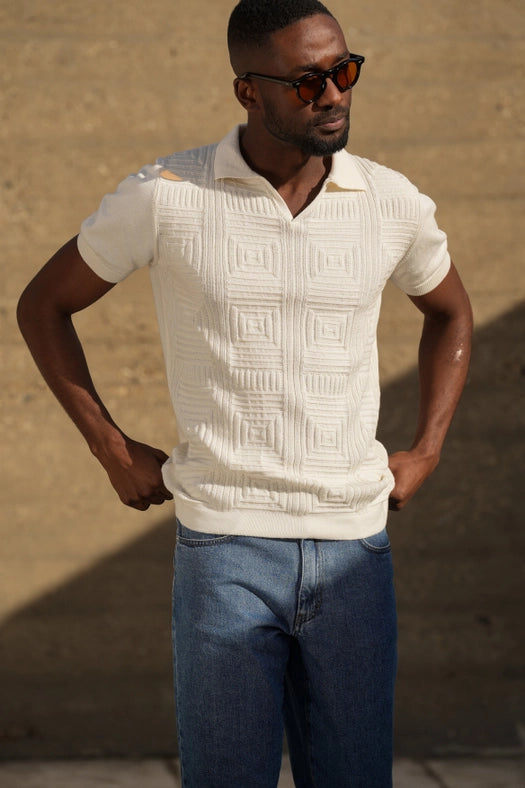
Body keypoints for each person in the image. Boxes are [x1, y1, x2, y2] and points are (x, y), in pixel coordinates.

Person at [17, 0, 473, 785]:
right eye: (308, 81)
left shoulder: (389, 200)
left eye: (344, 70)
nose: (334, 94)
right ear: (247, 91)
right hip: (224, 549)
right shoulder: (167, 194)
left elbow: (450, 312)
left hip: (353, 547)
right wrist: (111, 448)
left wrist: (426, 449)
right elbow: (43, 306)